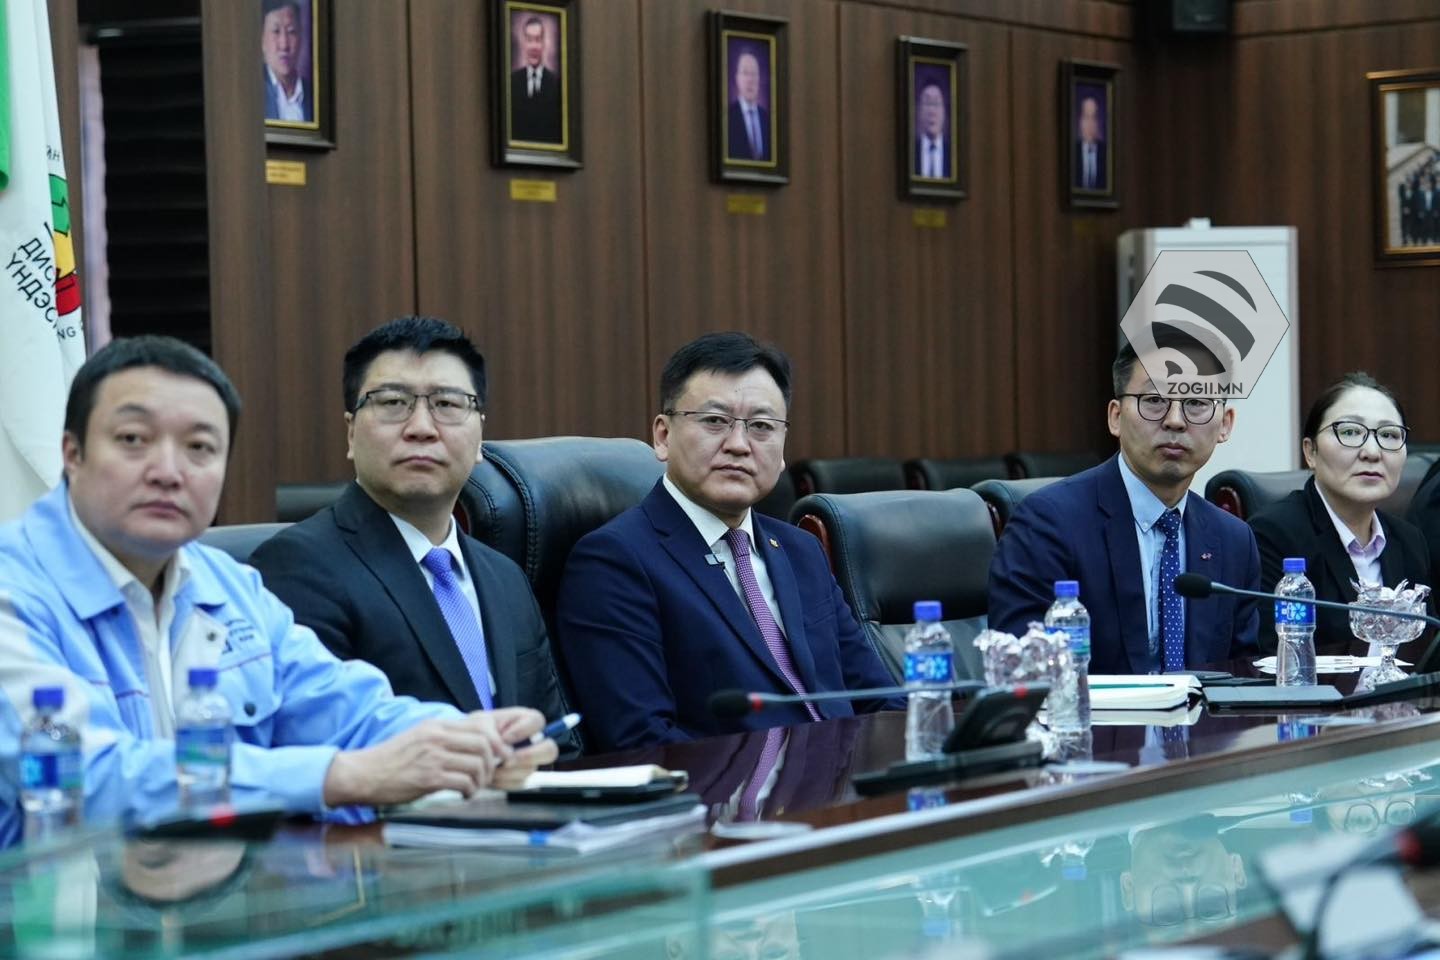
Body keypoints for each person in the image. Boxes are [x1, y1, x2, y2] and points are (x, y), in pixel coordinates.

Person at [0, 336, 556, 845]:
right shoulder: (15, 592)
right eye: (133, 440)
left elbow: (347, 708)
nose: (168, 471)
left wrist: (470, 741)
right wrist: (341, 775)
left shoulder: (227, 587)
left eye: (199, 447)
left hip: (222, 899)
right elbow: (86, 781)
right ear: (72, 454)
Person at [555, 332, 899, 751]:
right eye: (715, 421)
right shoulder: (614, 561)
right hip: (733, 790)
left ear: (783, 448)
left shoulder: (801, 550)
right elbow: (642, 738)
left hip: (846, 779)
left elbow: (878, 697)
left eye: (761, 427)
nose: (738, 445)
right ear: (663, 436)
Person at [250, 317, 577, 754]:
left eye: (447, 404)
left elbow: (558, 742)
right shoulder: (297, 566)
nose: (422, 427)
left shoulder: (506, 577)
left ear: (480, 435)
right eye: (392, 402)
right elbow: (317, 751)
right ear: (351, 433)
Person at [988, 342, 1260, 674]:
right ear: (1115, 417)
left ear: (1225, 424)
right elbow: (1023, 669)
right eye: (1155, 400)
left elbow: (1242, 674)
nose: (1175, 421)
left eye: (1196, 403)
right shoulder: (1048, 523)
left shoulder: (1233, 540)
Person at [1249, 373, 1432, 657]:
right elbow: (1273, 657)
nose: (1372, 452)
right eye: (1349, 432)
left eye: (1388, 435)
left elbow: (1428, 652)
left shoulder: (1409, 540)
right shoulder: (1274, 535)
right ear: (1310, 452)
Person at [508, 16, 562, 144]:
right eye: (529, 40)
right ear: (524, 44)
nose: (533, 46)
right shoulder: (511, 82)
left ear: (543, 44)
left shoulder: (557, 84)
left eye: (537, 40)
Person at [261, 0, 311, 123]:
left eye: (291, 31)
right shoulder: (251, 92)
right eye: (276, 31)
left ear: (301, 37)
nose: (284, 45)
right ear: (262, 40)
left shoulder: (315, 95)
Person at [726, 52, 771, 162]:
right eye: (745, 73)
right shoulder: (727, 117)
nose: (750, 80)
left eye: (754, 74)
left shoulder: (767, 119)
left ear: (759, 79)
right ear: (737, 79)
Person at [914, 82, 950, 180]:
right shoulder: (911, 151)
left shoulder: (954, 154)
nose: (932, 111)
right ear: (918, 111)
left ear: (944, 111)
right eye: (927, 103)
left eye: (936, 103)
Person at [1074, 94, 1106, 191]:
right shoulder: (1072, 152)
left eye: (1094, 117)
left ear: (1099, 122)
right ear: (1080, 121)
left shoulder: (1106, 153)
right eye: (1086, 117)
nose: (1090, 124)